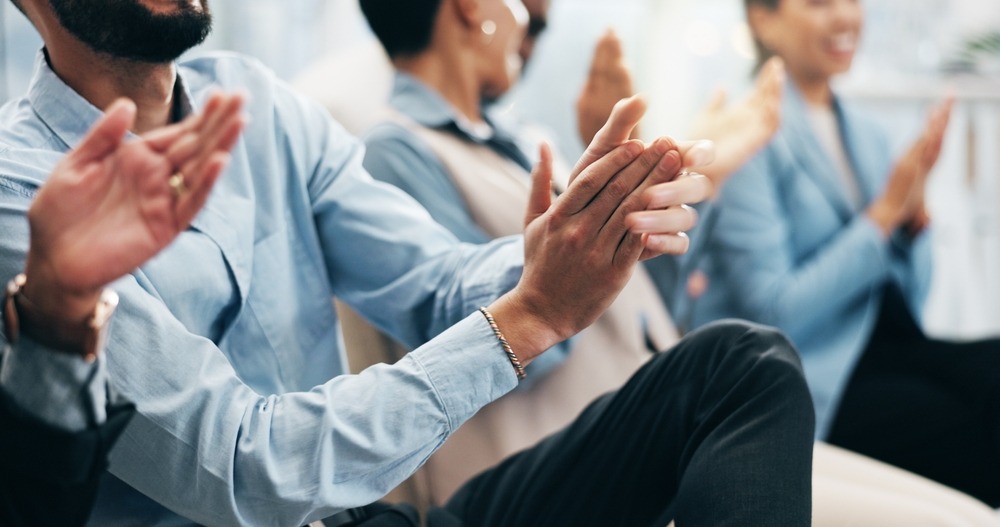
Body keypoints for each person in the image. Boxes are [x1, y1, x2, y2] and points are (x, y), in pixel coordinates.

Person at [0, 0, 816, 526]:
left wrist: (554, 253)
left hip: (376, 520)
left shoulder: (259, 103)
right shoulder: (21, 196)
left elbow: (434, 285)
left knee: (743, 367)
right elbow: (244, 468)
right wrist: (527, 316)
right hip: (293, 503)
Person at [357, 0, 1000, 524]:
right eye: (525, 14)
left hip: (664, 410)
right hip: (565, 455)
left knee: (967, 510)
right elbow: (488, 346)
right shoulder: (398, 153)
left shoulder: (521, 142)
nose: (528, 27)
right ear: (472, 9)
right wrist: (557, 280)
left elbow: (653, 306)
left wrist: (648, 211)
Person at [690, 0, 1000, 507]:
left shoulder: (868, 133)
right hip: (815, 374)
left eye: (852, 0)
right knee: (976, 431)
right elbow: (774, 310)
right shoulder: (746, 141)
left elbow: (911, 299)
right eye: (818, 3)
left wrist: (911, 222)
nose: (846, 18)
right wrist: (881, 217)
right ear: (762, 18)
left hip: (890, 347)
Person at [0, 94, 242, 526]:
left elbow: (34, 505)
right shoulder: (13, 183)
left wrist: (62, 311)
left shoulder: (246, 95)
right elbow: (234, 467)